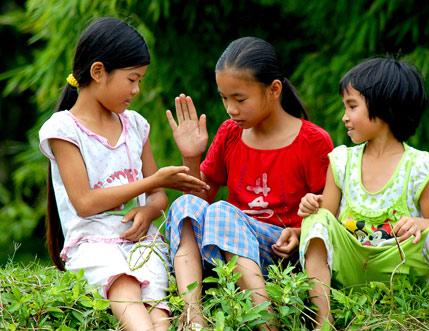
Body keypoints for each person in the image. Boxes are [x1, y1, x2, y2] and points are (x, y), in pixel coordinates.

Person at [39, 17, 208, 331]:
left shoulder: (135, 125)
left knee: (159, 307)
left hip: (142, 243)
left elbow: (158, 197)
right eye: (132, 79)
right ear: (99, 72)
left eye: (140, 80)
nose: (137, 89)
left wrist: (148, 209)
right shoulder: (63, 130)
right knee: (125, 285)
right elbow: (85, 202)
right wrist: (153, 182)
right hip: (92, 244)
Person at [165, 36, 334, 329]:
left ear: (274, 90)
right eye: (224, 98)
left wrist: (297, 229)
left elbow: (330, 213)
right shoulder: (230, 133)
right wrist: (191, 157)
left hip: (280, 255)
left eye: (240, 99)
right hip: (224, 253)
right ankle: (193, 317)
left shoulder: (312, 141)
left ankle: (265, 320)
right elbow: (199, 201)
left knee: (222, 211)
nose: (230, 108)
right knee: (184, 204)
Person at [298, 57, 429, 330]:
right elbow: (326, 218)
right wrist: (313, 204)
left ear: (383, 108)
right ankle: (323, 320)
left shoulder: (418, 165)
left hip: (400, 266)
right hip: (351, 264)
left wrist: (420, 223)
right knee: (315, 221)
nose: (344, 116)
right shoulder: (342, 161)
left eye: (352, 106)